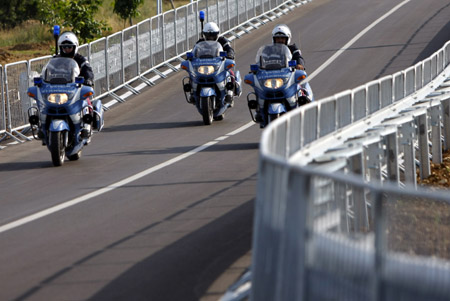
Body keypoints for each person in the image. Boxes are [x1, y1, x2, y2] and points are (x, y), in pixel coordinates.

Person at [190, 22, 239, 106]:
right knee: (192, 74)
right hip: (203, 65)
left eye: (213, 35)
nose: (211, 38)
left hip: (218, 64)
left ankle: (230, 93)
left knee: (230, 73)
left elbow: (229, 49)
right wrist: (190, 56)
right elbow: (194, 51)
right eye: (208, 36)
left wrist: (230, 54)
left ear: (217, 34)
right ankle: (192, 93)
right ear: (204, 35)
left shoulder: (222, 40)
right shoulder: (200, 42)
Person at [57, 31, 94, 138]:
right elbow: (48, 71)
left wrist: (88, 79)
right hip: (60, 88)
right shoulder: (56, 59)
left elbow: (88, 70)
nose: (67, 49)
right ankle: (41, 126)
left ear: (75, 47)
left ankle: (87, 126)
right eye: (64, 47)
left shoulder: (81, 59)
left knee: (86, 100)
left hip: (77, 88)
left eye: (69, 47)